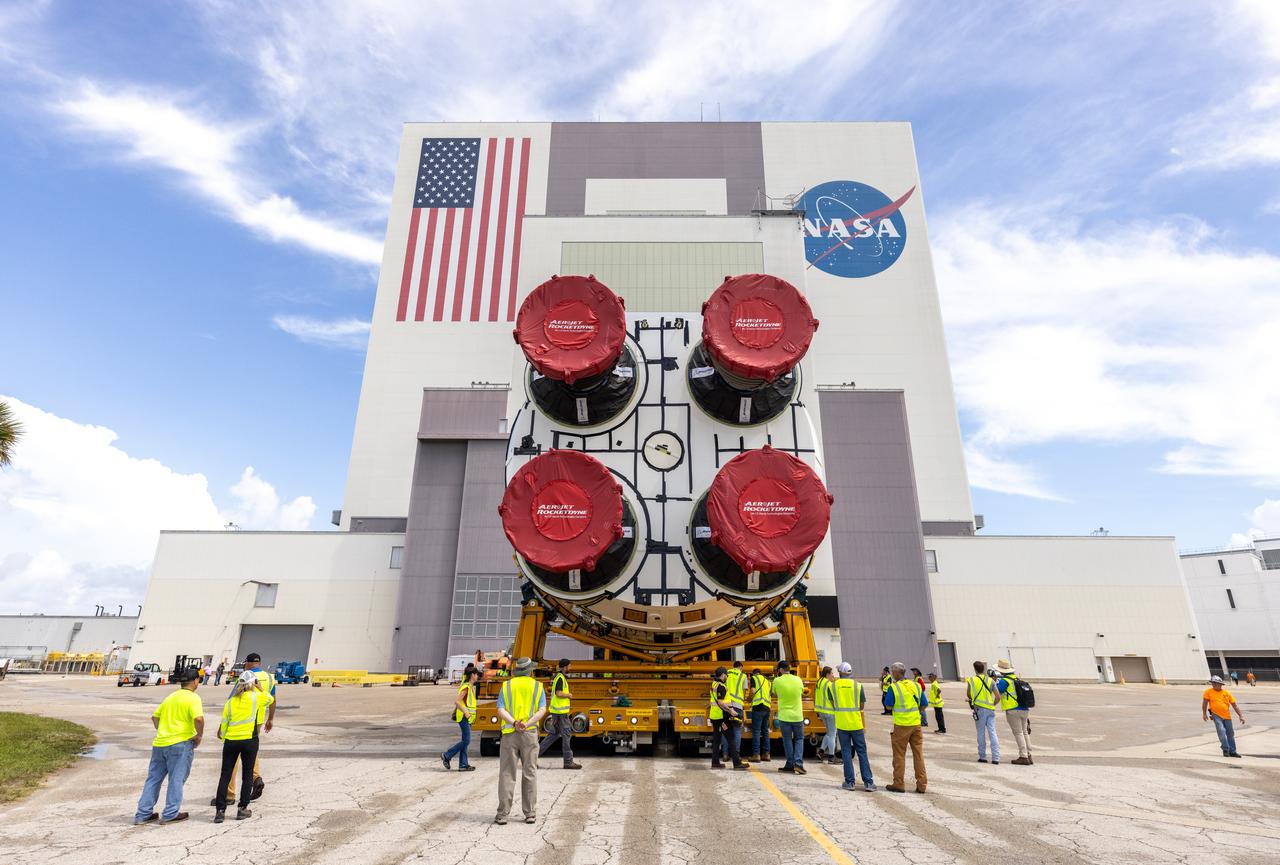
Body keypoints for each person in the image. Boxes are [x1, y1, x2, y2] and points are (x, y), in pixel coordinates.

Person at [134, 667, 203, 825]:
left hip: (160, 743)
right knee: (176, 779)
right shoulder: (193, 698)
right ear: (195, 681)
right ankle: (171, 813)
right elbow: (198, 719)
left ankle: (142, 814)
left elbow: (155, 717)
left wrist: (164, 730)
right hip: (180, 744)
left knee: (153, 779)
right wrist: (199, 736)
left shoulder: (170, 697)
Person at [213, 670, 273, 822]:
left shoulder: (231, 701)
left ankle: (220, 811)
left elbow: (225, 723)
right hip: (249, 741)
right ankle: (242, 808)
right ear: (253, 683)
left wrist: (225, 738)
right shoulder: (256, 697)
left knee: (225, 775)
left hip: (231, 741)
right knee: (247, 775)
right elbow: (269, 699)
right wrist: (260, 687)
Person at [494, 657, 547, 825]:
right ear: (530, 670)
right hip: (529, 733)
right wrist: (527, 723)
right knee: (530, 772)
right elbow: (542, 710)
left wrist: (515, 723)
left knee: (507, 773)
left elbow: (500, 709)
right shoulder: (538, 687)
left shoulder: (507, 686)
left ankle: (503, 814)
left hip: (510, 733)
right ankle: (530, 813)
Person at [883, 661, 927, 793]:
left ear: (896, 673)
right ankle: (922, 784)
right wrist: (916, 713)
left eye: (892, 671)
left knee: (899, 755)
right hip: (916, 724)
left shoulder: (894, 688)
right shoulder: (916, 686)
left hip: (901, 725)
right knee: (918, 754)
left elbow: (888, 706)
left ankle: (899, 783)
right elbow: (924, 704)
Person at [832, 662, 876, 792]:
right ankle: (868, 783)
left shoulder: (833, 686)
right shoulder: (858, 685)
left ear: (840, 672)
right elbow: (862, 705)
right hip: (856, 724)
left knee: (846, 752)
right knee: (862, 752)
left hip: (842, 724)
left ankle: (849, 782)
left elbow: (833, 702)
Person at [538, 658, 582, 769]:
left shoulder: (559, 678)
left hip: (557, 712)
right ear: (565, 667)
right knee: (567, 735)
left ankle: (531, 759)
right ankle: (568, 762)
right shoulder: (560, 679)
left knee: (553, 735)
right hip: (561, 713)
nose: (570, 668)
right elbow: (558, 693)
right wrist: (569, 695)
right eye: (569, 666)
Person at [993, 659, 1031, 765]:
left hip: (1013, 709)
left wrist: (994, 682)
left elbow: (997, 691)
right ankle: (1028, 755)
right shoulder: (1017, 679)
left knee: (1018, 733)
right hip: (1024, 709)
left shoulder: (1005, 681)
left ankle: (1023, 757)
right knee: (1024, 732)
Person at [709, 667, 747, 770]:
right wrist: (731, 711)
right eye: (726, 675)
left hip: (715, 716)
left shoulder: (714, 685)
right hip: (722, 718)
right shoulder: (721, 686)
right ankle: (737, 763)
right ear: (723, 675)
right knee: (731, 738)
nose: (727, 677)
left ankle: (715, 762)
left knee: (717, 739)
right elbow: (721, 702)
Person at [442, 665, 479, 772]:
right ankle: (447, 755)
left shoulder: (470, 687)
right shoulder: (466, 687)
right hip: (463, 717)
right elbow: (457, 701)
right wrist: (466, 712)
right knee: (466, 740)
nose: (477, 676)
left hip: (468, 718)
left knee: (465, 741)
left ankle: (463, 764)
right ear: (472, 675)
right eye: (476, 674)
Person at [772, 661, 806, 775]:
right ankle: (798, 764)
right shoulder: (798, 679)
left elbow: (774, 693)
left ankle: (790, 764)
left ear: (780, 670)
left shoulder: (777, 681)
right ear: (789, 668)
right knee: (799, 739)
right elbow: (801, 692)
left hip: (784, 716)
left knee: (787, 740)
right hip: (797, 716)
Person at [1203, 675, 1246, 758]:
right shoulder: (1208, 692)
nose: (1214, 685)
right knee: (1222, 731)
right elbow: (1204, 703)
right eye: (1213, 683)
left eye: (1216, 683)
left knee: (1230, 734)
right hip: (1216, 715)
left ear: (1221, 684)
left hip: (1227, 716)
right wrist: (1204, 714)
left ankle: (1233, 751)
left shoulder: (1226, 693)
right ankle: (1225, 749)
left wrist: (1241, 716)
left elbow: (1235, 705)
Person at [967, 661, 1000, 765]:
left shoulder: (971, 680)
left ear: (975, 669)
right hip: (990, 709)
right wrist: (992, 704)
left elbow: (969, 694)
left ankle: (983, 756)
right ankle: (996, 758)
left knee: (981, 733)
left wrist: (974, 699)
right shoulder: (991, 680)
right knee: (992, 732)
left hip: (979, 709)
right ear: (984, 669)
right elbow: (998, 697)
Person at [721, 660, 747, 761]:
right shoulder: (743, 676)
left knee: (726, 729)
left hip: (726, 705)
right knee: (736, 730)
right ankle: (736, 755)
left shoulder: (726, 673)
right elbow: (744, 691)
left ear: (733, 667)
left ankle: (725, 754)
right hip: (737, 706)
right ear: (741, 667)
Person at [747, 666, 772, 762]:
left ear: (754, 674)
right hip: (767, 707)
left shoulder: (754, 678)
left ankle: (756, 755)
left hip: (758, 707)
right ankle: (766, 754)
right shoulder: (768, 681)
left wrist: (749, 699)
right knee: (765, 731)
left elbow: (753, 691)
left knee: (756, 731)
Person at [814, 666, 837, 764]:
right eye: (832, 673)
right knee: (832, 734)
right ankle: (831, 756)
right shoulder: (829, 684)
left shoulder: (819, 682)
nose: (833, 675)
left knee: (828, 733)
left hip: (821, 711)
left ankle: (821, 751)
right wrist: (837, 709)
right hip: (829, 712)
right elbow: (832, 699)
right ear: (827, 674)